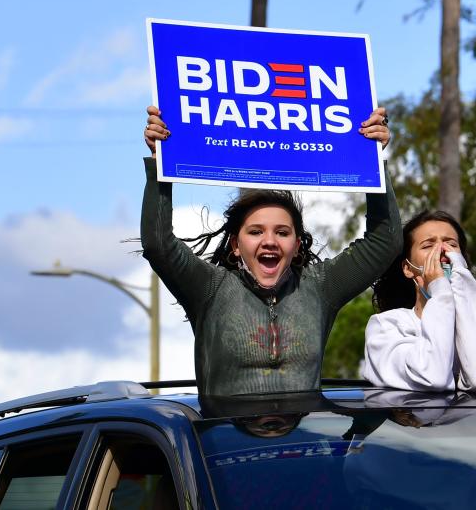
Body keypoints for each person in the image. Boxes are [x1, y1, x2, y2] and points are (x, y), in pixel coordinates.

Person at [142, 106, 401, 396]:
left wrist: (373, 158)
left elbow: (384, 243)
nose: (269, 241)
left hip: (305, 441)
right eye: (255, 232)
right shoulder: (210, 288)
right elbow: (158, 245)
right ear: (236, 246)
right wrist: (159, 162)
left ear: (296, 244)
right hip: (224, 441)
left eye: (282, 232)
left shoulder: (319, 287)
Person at [361, 210, 476, 392]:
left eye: (451, 244)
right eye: (428, 246)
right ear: (408, 268)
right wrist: (439, 290)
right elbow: (431, 377)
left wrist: (463, 284)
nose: (442, 252)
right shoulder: (388, 327)